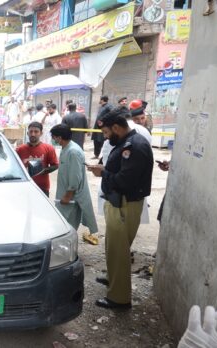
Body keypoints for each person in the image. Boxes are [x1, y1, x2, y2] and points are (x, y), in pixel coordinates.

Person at [86, 109, 153, 310]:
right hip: (118, 202)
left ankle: (119, 298)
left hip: (124, 203)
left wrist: (103, 172)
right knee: (114, 248)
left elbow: (124, 180)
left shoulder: (134, 146)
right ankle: (113, 279)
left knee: (119, 252)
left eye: (106, 133)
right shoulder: (126, 142)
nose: (106, 137)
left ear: (116, 128)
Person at [50, 125, 99, 243]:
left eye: (54, 137)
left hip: (70, 197)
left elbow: (75, 176)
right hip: (65, 194)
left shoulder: (73, 151)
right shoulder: (66, 148)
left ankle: (68, 251)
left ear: (59, 138)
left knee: (67, 226)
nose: (53, 139)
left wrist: (68, 195)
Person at [15, 122, 59, 196]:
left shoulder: (49, 148)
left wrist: (43, 171)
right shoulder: (20, 150)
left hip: (42, 187)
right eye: (31, 131)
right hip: (24, 186)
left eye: (36, 131)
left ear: (41, 133)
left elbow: (55, 165)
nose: (33, 134)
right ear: (27, 133)